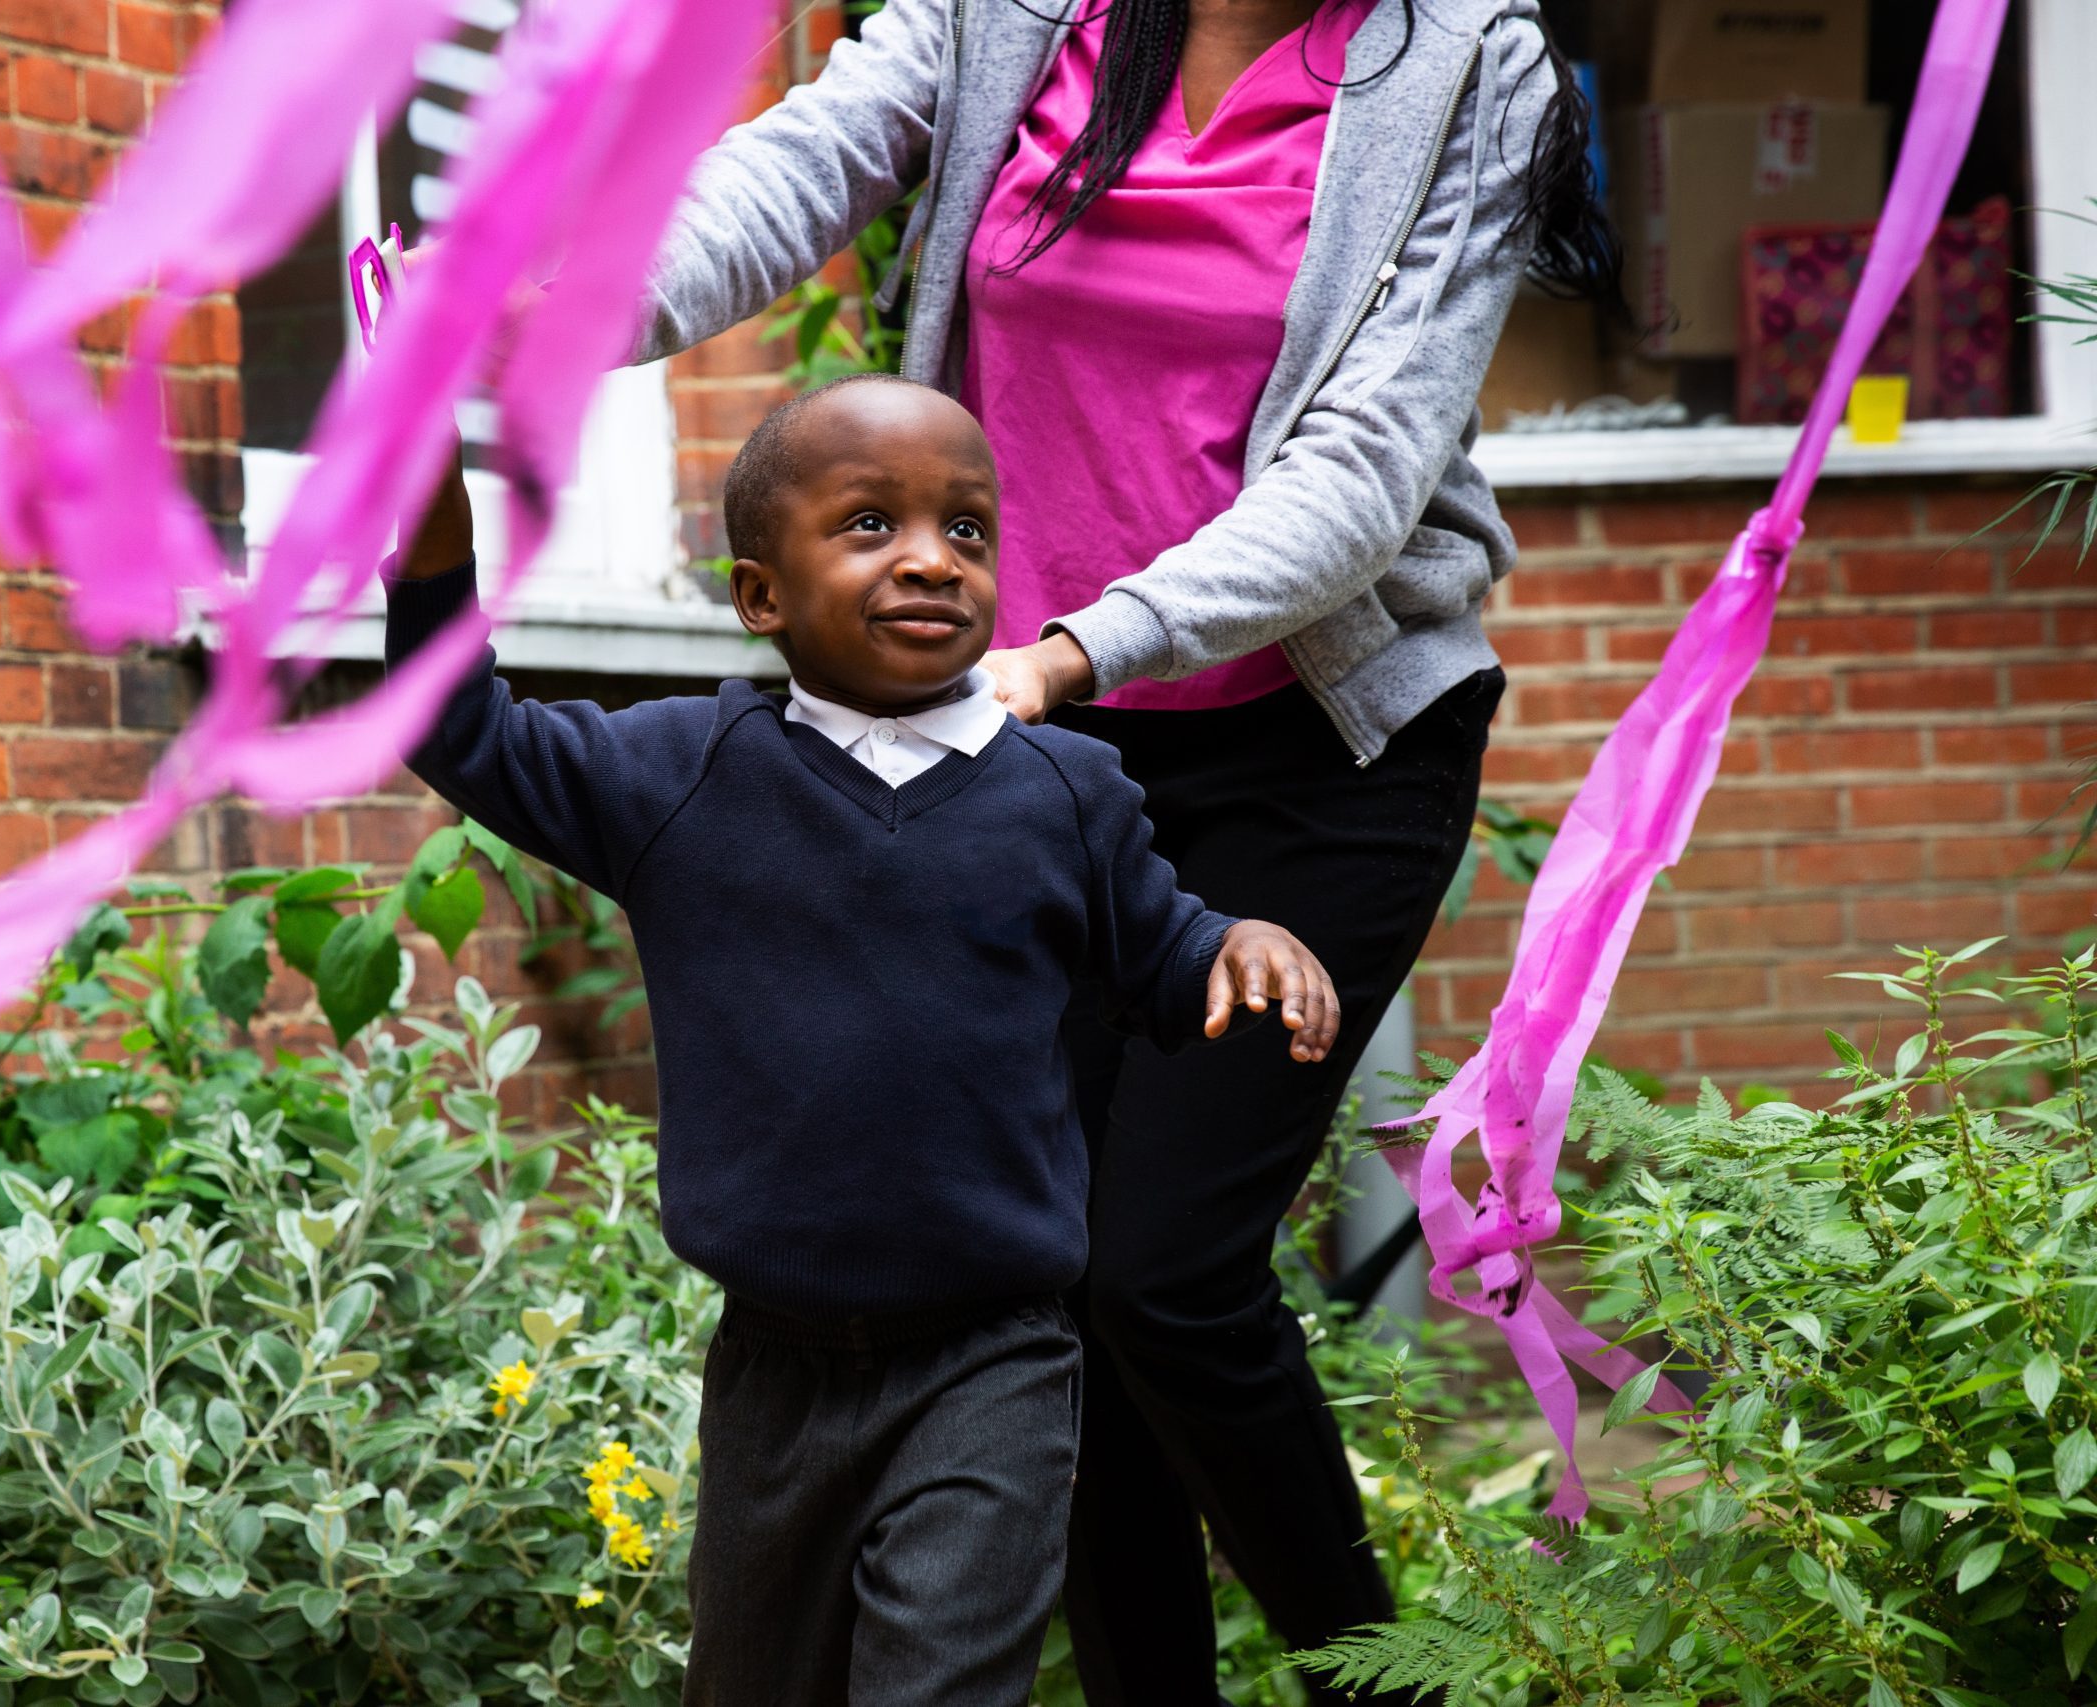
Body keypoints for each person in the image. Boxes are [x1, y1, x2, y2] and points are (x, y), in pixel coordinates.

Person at [630, 1, 1621, 1700]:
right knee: (1050, 1285)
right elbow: (795, 172)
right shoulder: (1009, 13)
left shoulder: (1463, 57)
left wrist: (1077, 649)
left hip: (1311, 745)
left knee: (1158, 1269)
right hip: (1041, 745)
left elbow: (1369, 463)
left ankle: (1377, 1679)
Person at [381, 374, 1341, 1707]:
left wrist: (1241, 946)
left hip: (994, 1354)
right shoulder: (677, 780)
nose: (931, 561)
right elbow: (455, 723)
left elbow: (1166, 961)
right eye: (872, 524)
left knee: (938, 1686)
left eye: (967, 530)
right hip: (771, 1368)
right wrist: (420, 491)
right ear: (761, 594)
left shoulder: (1067, 793)